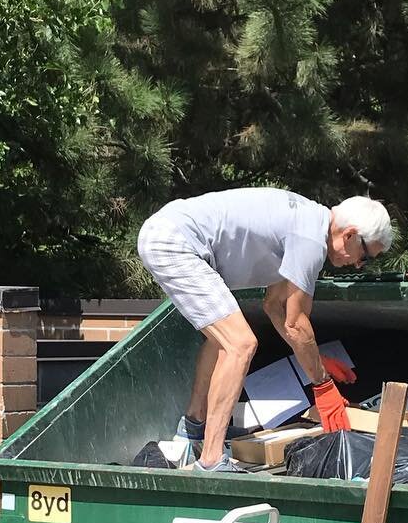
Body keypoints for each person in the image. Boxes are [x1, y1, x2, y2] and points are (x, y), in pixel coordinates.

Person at [137, 189, 394, 471]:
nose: (359, 265)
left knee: (223, 341)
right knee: (241, 344)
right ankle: (211, 460)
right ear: (350, 234)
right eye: (365, 256)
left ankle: (193, 429)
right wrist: (323, 385)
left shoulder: (307, 222)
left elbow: (275, 307)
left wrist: (316, 360)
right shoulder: (311, 241)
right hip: (174, 241)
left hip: (170, 232)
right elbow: (296, 324)